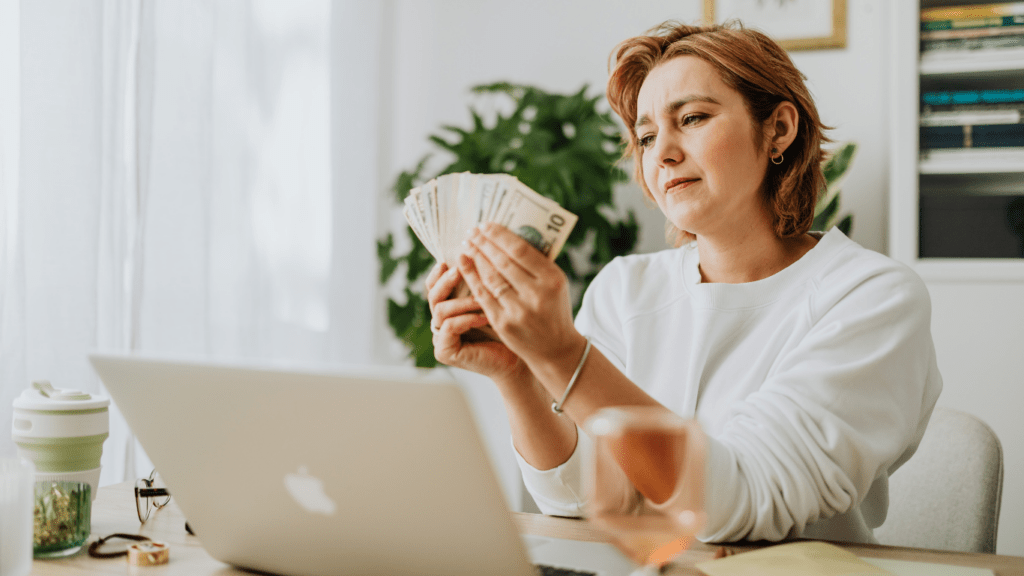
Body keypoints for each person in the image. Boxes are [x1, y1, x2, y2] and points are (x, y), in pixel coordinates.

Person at [424, 20, 942, 544]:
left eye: (692, 118)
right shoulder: (625, 288)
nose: (663, 152)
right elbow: (579, 499)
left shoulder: (871, 297)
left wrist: (561, 356)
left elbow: (742, 503)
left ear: (778, 129)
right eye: (646, 137)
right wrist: (519, 376)